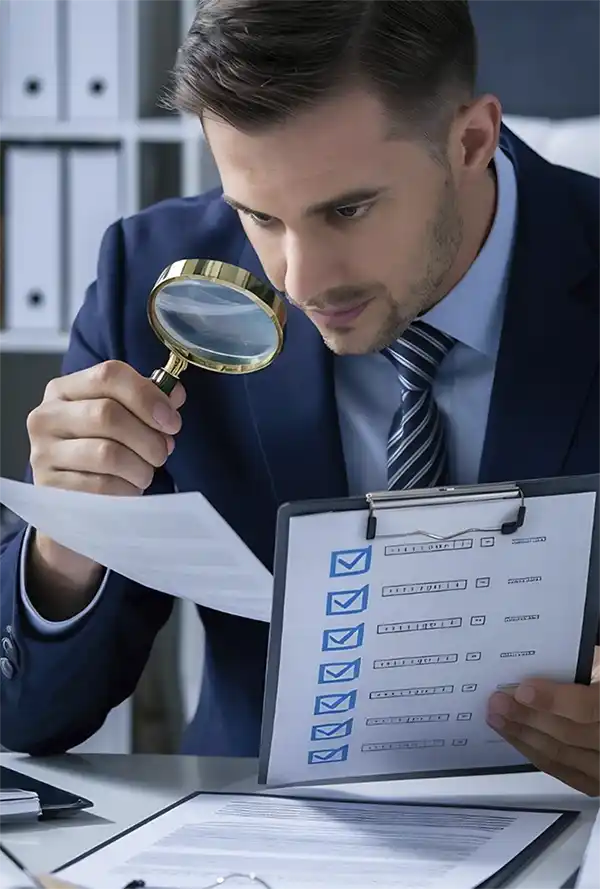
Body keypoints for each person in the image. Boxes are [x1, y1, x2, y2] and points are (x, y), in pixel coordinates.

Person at [1, 0, 600, 795]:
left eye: (347, 209)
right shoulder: (151, 278)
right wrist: (69, 540)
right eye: (257, 214)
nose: (299, 281)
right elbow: (27, 721)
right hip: (256, 843)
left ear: (471, 141)